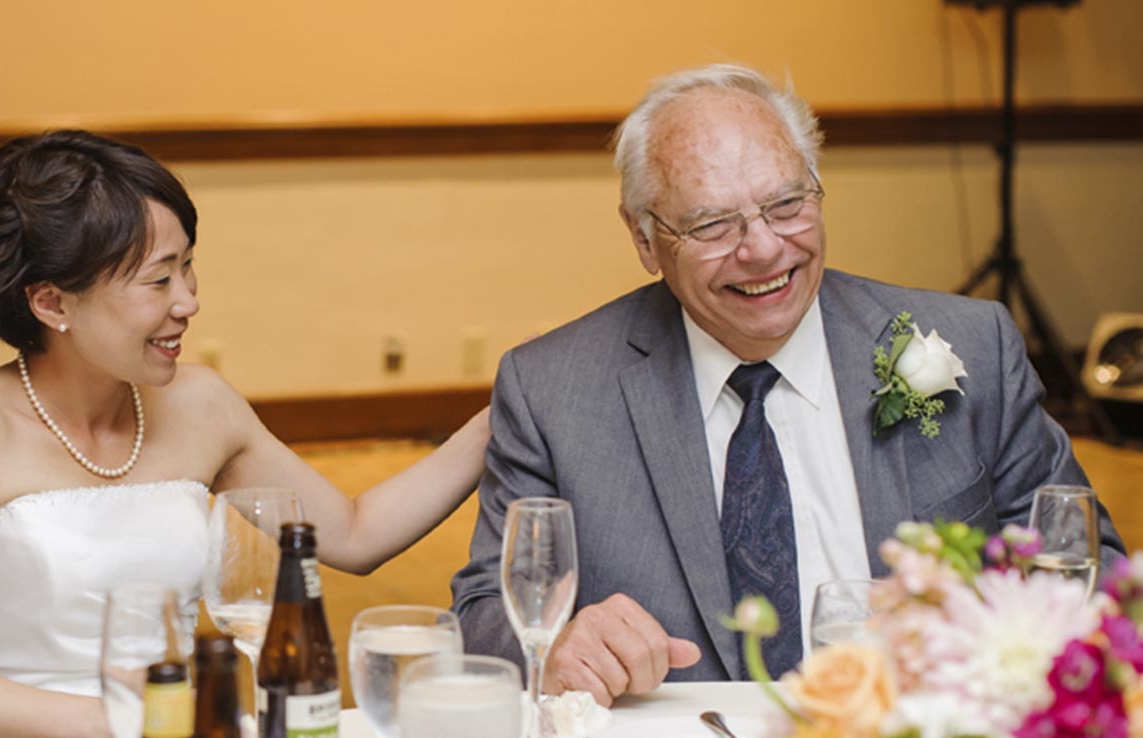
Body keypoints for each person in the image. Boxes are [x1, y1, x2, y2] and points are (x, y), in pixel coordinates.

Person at [451, 64, 1124, 705]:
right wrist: (559, 647)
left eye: (786, 204)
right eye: (713, 224)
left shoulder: (971, 346)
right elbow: (487, 607)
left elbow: (1088, 570)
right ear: (646, 239)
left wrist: (969, 626)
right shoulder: (552, 389)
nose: (765, 248)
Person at [0, 130, 489, 738]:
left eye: (188, 267)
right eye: (158, 278)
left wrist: (512, 405)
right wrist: (115, 725)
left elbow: (357, 534)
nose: (187, 300)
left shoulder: (199, 405)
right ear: (52, 303)